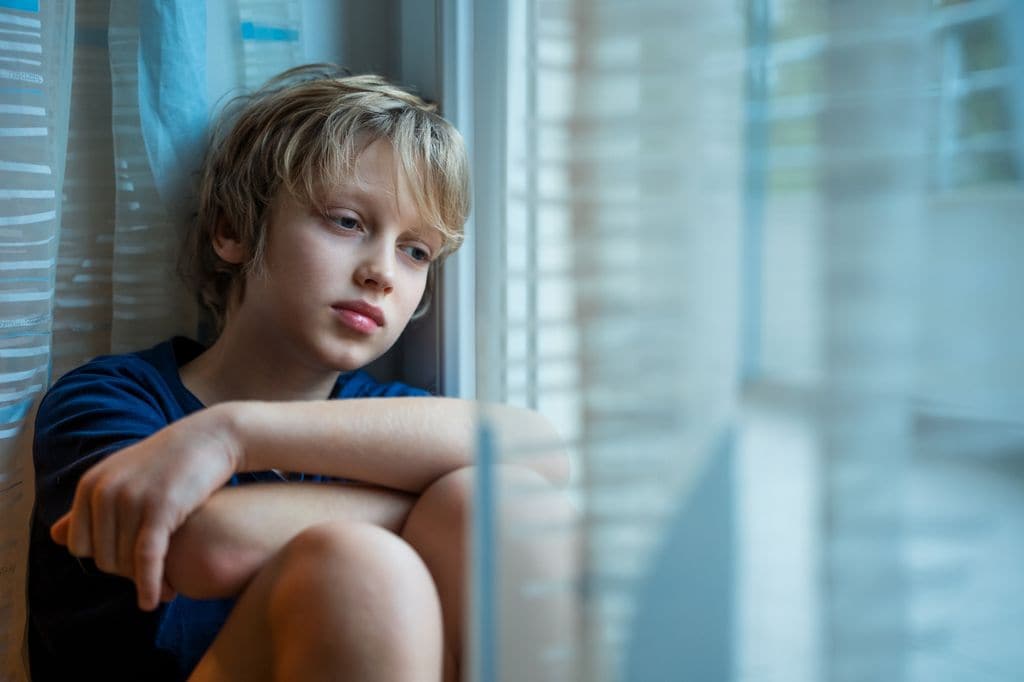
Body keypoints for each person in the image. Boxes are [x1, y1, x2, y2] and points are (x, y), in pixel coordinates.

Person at [28, 64, 569, 682]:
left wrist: (234, 434)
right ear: (234, 230)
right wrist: (427, 507)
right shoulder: (107, 400)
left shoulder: (379, 416)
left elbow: (540, 452)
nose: (382, 272)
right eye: (347, 221)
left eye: (415, 251)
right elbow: (208, 546)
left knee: (496, 503)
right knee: (359, 566)